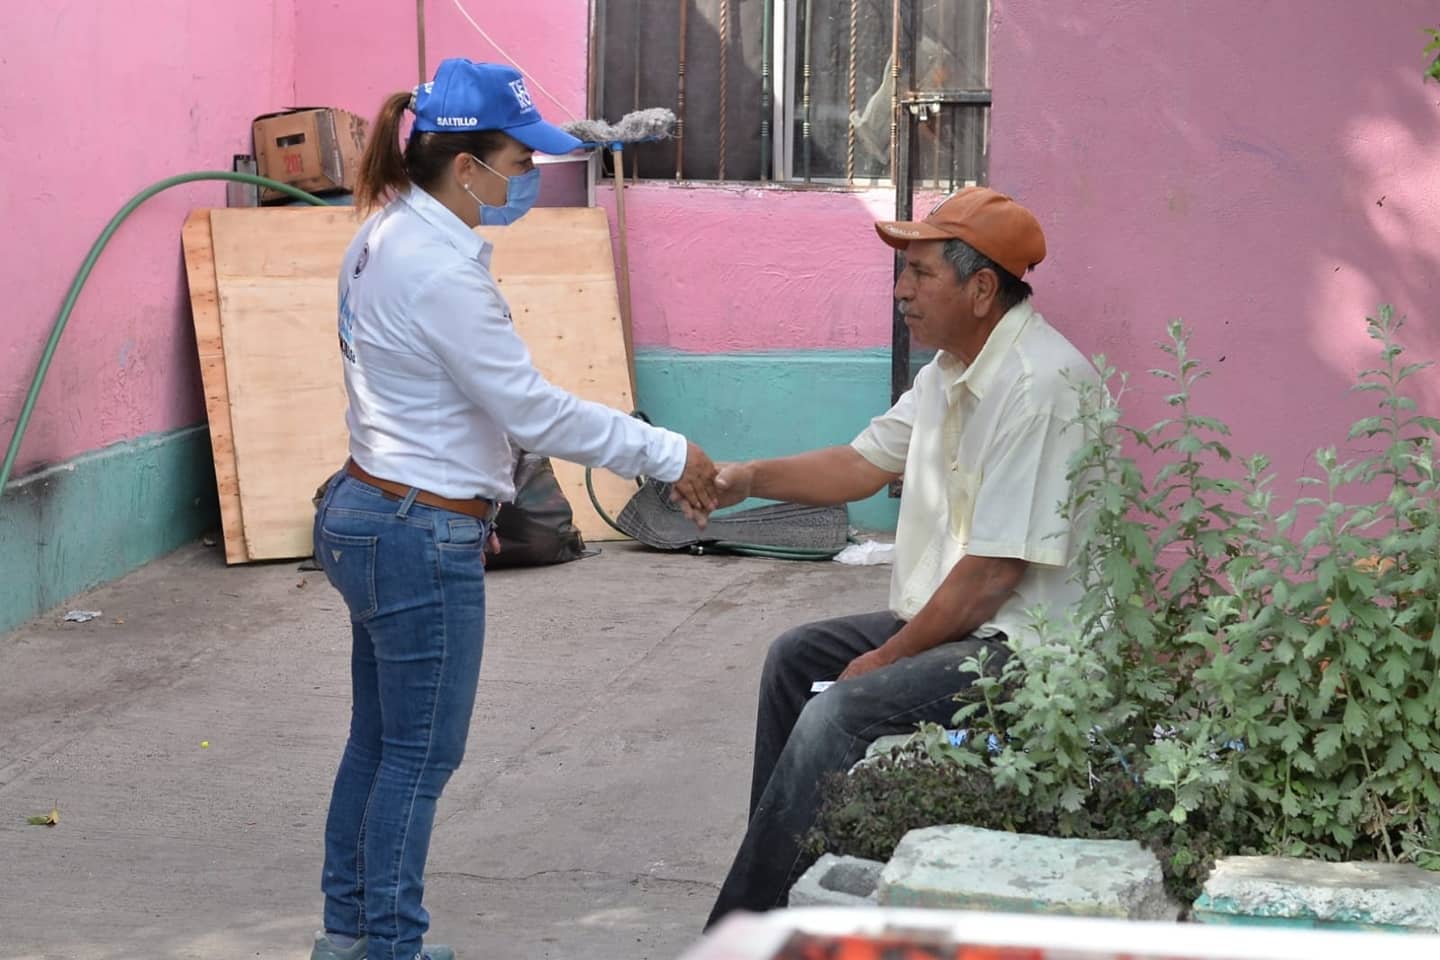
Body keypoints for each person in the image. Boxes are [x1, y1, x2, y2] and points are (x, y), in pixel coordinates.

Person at [309, 59, 719, 960]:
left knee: (379, 746)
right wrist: (668, 451)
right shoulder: (436, 271)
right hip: (417, 531)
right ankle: (388, 947)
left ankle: (351, 937)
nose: (530, 180)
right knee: (417, 759)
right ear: (468, 169)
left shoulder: (386, 235)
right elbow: (532, 410)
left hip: (370, 509)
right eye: (520, 163)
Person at [704, 187, 1100, 927]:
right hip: (969, 627)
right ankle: (785, 870)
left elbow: (990, 579)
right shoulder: (950, 371)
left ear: (982, 288)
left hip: (1032, 650)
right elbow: (860, 464)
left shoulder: (1041, 386)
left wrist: (886, 659)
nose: (901, 292)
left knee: (845, 707)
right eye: (903, 274)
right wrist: (747, 479)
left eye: (920, 275)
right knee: (796, 657)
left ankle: (744, 926)